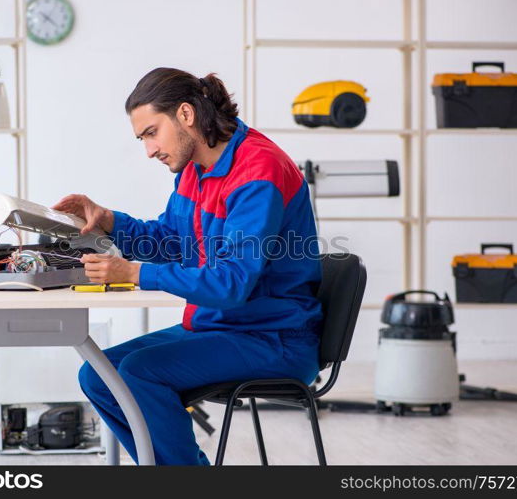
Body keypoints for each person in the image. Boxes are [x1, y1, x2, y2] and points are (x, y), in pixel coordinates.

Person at [52, 67, 323, 465]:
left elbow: (231, 283)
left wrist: (133, 273)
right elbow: (173, 241)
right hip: (218, 327)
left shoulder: (257, 172)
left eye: (151, 133)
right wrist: (107, 220)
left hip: (273, 337)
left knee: (141, 373)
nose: (149, 150)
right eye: (143, 138)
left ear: (185, 114)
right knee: (99, 376)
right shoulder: (194, 170)